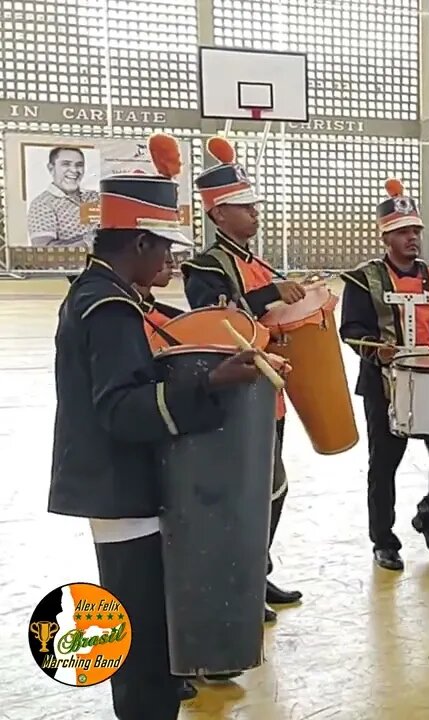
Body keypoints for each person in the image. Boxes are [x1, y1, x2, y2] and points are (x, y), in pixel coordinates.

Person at [48, 133, 265, 719]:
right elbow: (120, 410)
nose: (172, 262)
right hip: (122, 493)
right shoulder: (109, 308)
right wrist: (213, 383)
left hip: (121, 488)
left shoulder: (109, 293)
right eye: (165, 249)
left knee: (150, 637)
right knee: (142, 648)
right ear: (138, 241)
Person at [181, 137, 304, 620]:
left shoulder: (255, 261)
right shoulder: (205, 267)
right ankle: (240, 583)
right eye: (242, 207)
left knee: (272, 489)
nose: (254, 214)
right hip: (237, 390)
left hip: (270, 390)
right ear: (216, 216)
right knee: (244, 492)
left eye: (253, 205)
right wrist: (272, 292)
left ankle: (257, 571)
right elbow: (218, 321)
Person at [338, 179, 429, 571]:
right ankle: (384, 541)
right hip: (383, 384)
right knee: (384, 465)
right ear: (386, 236)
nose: (413, 238)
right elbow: (351, 330)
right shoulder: (365, 279)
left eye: (416, 231)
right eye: (404, 232)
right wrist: (378, 349)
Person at [28, 146, 101, 248]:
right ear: (51, 168)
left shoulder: (94, 197)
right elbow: (44, 250)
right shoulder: (42, 204)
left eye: (79, 165)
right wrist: (91, 241)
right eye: (66, 164)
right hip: (73, 264)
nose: (74, 170)